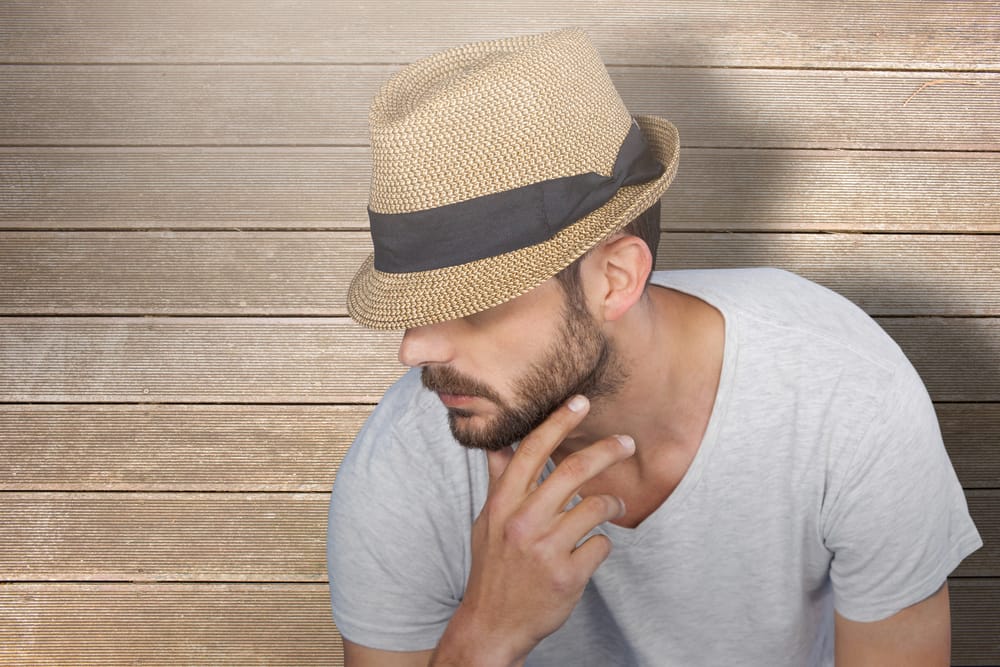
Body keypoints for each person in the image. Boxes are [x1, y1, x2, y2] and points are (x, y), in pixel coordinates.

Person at [327, 28, 981, 666]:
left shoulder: (845, 396)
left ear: (616, 278)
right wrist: (485, 632)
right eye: (417, 307)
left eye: (474, 304)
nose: (414, 350)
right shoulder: (404, 463)